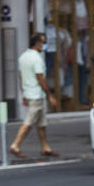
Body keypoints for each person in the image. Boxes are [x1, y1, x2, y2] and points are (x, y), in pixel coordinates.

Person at [10, 31, 58, 160]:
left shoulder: (23, 57)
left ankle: (45, 147)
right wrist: (50, 95)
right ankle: (15, 145)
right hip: (36, 94)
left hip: (29, 93)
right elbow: (40, 78)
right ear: (37, 44)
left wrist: (23, 94)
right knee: (29, 122)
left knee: (41, 123)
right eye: (43, 43)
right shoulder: (37, 59)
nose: (44, 45)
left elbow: (21, 77)